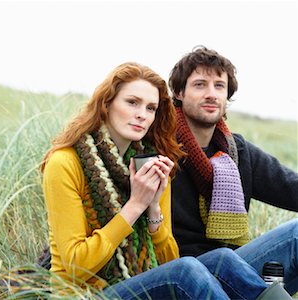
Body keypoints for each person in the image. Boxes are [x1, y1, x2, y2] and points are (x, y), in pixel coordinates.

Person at [40, 62, 284, 299]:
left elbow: (169, 261)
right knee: (185, 271)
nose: (141, 115)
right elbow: (75, 266)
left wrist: (153, 208)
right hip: (85, 294)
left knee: (222, 259)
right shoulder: (66, 162)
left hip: (138, 283)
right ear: (107, 103)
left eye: (150, 108)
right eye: (132, 102)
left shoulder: (151, 164)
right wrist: (136, 205)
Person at [168, 46, 298, 295]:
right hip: (180, 274)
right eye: (200, 85)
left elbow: (290, 187)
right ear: (179, 92)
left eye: (219, 86)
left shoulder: (236, 151)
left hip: (235, 267)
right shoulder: (161, 147)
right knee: (219, 259)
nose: (211, 94)